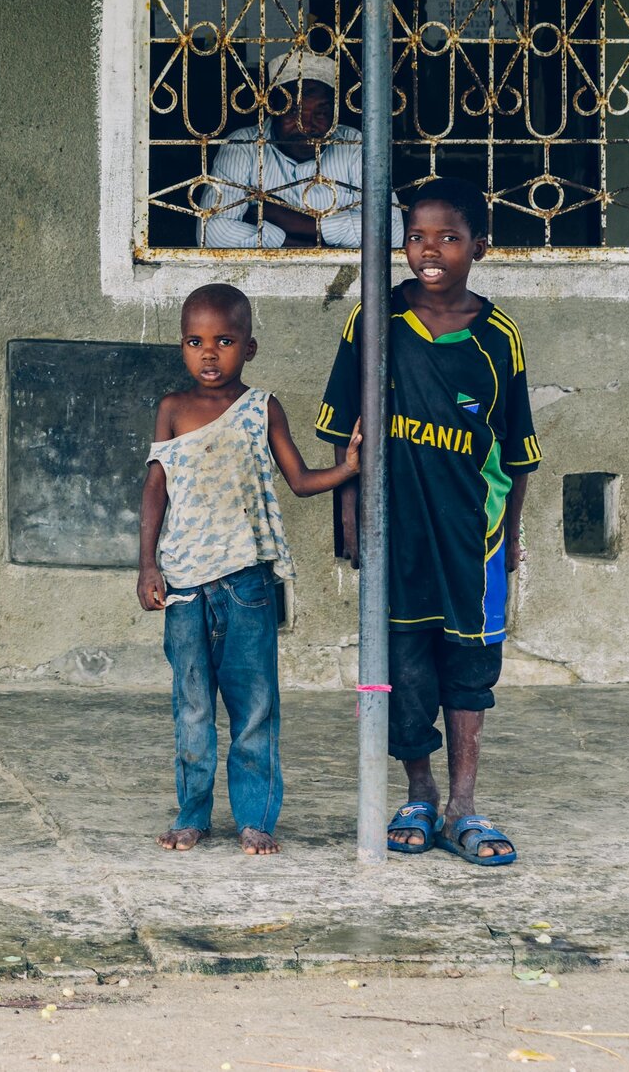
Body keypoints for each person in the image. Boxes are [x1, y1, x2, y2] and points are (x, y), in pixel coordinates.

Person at [316, 175, 540, 867]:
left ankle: (463, 805)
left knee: (468, 671)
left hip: (474, 537)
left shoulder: (499, 338)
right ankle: (418, 791)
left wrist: (514, 537)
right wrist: (348, 518)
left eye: (448, 236)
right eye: (416, 237)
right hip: (397, 534)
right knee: (403, 670)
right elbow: (341, 431)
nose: (430, 250)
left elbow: (519, 451)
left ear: (480, 245)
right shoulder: (375, 321)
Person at [136, 284, 360, 856]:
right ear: (181, 346)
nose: (209, 354)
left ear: (250, 347)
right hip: (184, 586)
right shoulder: (171, 409)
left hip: (246, 583)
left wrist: (350, 467)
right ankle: (193, 815)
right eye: (195, 341)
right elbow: (154, 492)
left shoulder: (263, 407)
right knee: (191, 706)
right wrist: (147, 565)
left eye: (225, 341)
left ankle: (256, 819)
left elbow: (302, 480)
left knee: (255, 705)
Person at [198, 51, 403, 250]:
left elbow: (392, 232)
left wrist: (283, 218)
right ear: (272, 109)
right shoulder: (243, 145)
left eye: (321, 113)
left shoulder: (354, 145)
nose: (306, 126)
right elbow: (211, 234)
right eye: (293, 110)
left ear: (335, 114)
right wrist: (300, 244)